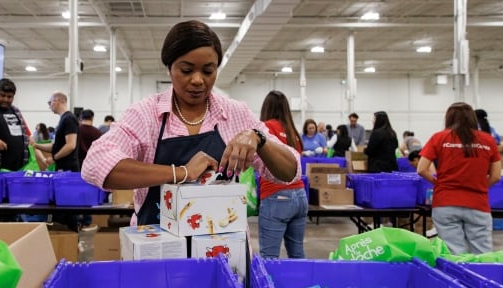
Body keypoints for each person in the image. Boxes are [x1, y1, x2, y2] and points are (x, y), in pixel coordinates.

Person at [81, 20, 300, 226]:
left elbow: (291, 172)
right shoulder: (146, 115)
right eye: (186, 70)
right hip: (158, 247)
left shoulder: (235, 114)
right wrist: (183, 172)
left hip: (221, 247)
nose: (197, 80)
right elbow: (95, 165)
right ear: (169, 68)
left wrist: (259, 138)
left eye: (208, 71)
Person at [418, 102, 501, 254]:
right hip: (478, 203)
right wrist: (480, 186)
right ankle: (482, 277)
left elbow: (421, 168)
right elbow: (496, 175)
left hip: (445, 201)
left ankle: (456, 277)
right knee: (482, 253)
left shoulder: (439, 138)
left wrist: (439, 184)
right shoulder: (488, 140)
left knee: (454, 252)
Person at [258, 90, 307, 259]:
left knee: (269, 256)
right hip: (300, 196)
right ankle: (304, 285)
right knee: (297, 253)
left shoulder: (267, 128)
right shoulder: (294, 132)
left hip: (276, 196)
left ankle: (267, 287)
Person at [34, 91, 79, 172]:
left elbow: (70, 145)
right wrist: (36, 145)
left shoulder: (69, 118)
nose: (49, 106)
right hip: (63, 167)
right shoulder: (63, 119)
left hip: (68, 169)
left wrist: (55, 158)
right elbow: (56, 146)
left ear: (57, 100)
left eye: (49, 103)